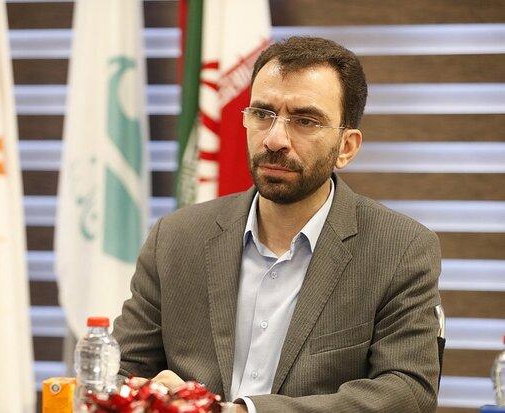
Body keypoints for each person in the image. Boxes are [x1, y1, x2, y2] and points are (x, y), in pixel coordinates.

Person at [112, 36, 441, 412]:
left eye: (305, 121)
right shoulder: (176, 238)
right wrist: (154, 398)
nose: (274, 139)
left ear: (346, 147)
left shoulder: (400, 248)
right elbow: (116, 372)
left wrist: (241, 411)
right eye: (262, 114)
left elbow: (407, 393)